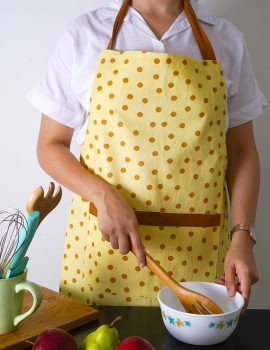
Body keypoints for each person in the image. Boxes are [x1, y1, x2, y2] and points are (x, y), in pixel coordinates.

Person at [26, 0, 267, 312]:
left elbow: (242, 151)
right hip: (105, 254)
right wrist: (102, 195)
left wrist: (243, 237)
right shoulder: (85, 34)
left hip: (199, 254)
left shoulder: (226, 39)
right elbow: (50, 144)